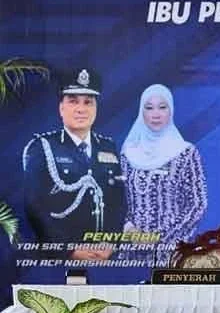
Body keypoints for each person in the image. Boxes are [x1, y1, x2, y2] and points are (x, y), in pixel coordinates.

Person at [22, 68, 125, 261]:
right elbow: (34, 206)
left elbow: (118, 202)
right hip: (56, 261)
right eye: (73, 101)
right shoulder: (42, 147)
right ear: (61, 108)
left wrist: (111, 244)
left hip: (103, 258)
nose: (81, 109)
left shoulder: (108, 147)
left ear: (96, 108)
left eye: (88, 102)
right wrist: (69, 250)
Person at [120, 84, 207, 266]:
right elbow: (120, 200)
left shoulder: (185, 152)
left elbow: (198, 204)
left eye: (162, 107)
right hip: (133, 251)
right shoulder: (128, 153)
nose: (156, 114)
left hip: (173, 251)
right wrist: (129, 229)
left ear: (171, 111)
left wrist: (160, 238)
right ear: (141, 112)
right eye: (149, 107)